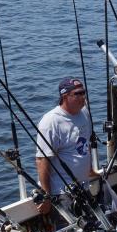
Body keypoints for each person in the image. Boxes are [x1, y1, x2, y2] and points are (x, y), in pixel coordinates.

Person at [35, 77, 96, 217]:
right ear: (65, 96)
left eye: (83, 93)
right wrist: (46, 196)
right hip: (62, 193)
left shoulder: (84, 113)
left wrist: (90, 170)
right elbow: (42, 160)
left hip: (83, 187)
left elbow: (84, 143)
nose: (82, 97)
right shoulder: (51, 122)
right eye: (77, 94)